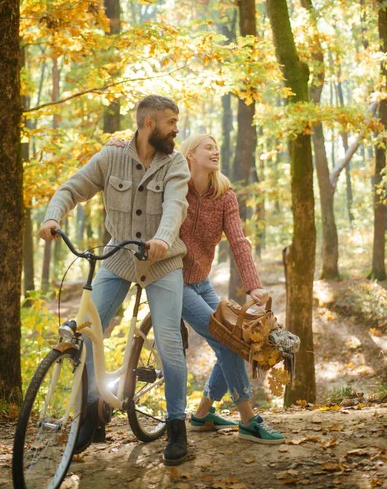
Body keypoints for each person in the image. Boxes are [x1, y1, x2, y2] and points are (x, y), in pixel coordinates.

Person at [39, 95, 191, 466]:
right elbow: (72, 187)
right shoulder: (111, 156)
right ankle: (91, 414)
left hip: (162, 262)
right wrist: (51, 217)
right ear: (148, 124)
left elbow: (175, 207)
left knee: (169, 341)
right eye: (170, 122)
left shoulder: (176, 162)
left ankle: (176, 426)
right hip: (119, 257)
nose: (176, 129)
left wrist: (162, 239)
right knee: (88, 331)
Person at [109, 133, 284, 444]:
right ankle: (248, 419)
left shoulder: (224, 195)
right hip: (172, 280)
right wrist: (123, 144)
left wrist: (253, 286)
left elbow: (239, 241)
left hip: (201, 282)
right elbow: (145, 162)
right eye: (208, 147)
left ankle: (202, 415)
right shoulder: (174, 185)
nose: (215, 151)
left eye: (217, 147)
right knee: (227, 342)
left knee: (235, 342)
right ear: (189, 154)